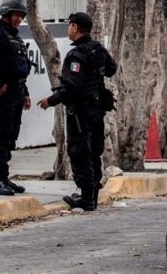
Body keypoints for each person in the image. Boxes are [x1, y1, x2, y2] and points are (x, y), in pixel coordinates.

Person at [38, 12, 117, 211]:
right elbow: (111, 68)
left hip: (81, 112)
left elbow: (71, 87)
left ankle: (86, 199)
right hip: (96, 110)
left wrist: (51, 100)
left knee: (80, 152)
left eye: (70, 26)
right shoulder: (97, 49)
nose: (68, 29)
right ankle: (93, 197)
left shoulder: (76, 55)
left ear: (75, 27)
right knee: (93, 153)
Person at [0, 0, 33, 196]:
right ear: (6, 14)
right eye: (16, 15)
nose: (19, 18)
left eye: (21, 15)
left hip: (17, 93)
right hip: (1, 93)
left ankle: (5, 176)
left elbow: (20, 66)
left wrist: (25, 92)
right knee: (1, 136)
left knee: (11, 136)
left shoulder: (15, 36)